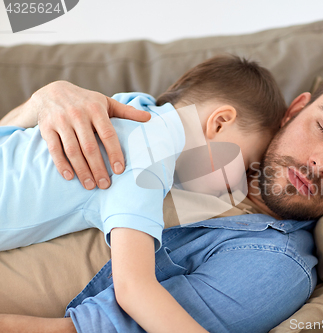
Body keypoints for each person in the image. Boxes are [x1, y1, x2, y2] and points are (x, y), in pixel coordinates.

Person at [0, 61, 323, 333]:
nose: (321, 163)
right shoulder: (186, 137)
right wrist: (43, 101)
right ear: (295, 109)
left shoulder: (272, 262)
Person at [0, 55, 288, 333]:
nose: (239, 185)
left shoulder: (131, 106)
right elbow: (134, 288)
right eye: (247, 163)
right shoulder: (150, 154)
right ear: (220, 122)